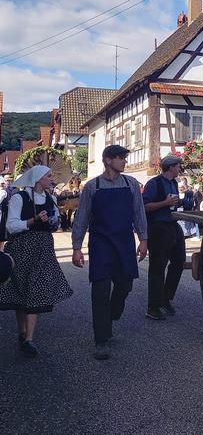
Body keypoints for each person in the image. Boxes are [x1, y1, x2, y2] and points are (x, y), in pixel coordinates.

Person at [72, 145, 148, 360]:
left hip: (124, 242)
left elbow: (138, 214)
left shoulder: (131, 184)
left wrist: (143, 239)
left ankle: (114, 312)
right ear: (108, 160)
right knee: (100, 292)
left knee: (125, 285)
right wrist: (77, 247)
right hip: (100, 245)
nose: (125, 162)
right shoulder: (92, 187)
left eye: (125, 158)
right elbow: (82, 218)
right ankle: (102, 340)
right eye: (121, 158)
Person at [0, 165, 72, 357]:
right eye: (48, 175)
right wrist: (32, 221)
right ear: (38, 178)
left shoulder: (51, 198)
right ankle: (22, 332)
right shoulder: (19, 198)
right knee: (21, 291)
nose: (51, 178)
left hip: (43, 249)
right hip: (21, 248)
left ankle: (29, 339)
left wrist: (54, 221)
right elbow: (12, 225)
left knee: (36, 289)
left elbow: (53, 226)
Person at [142, 154, 186, 321]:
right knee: (157, 267)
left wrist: (181, 203)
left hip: (172, 225)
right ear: (171, 167)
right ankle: (153, 307)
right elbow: (144, 206)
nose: (179, 169)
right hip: (158, 228)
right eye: (178, 166)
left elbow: (173, 204)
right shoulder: (154, 183)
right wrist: (164, 204)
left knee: (179, 261)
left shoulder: (174, 183)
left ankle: (165, 298)